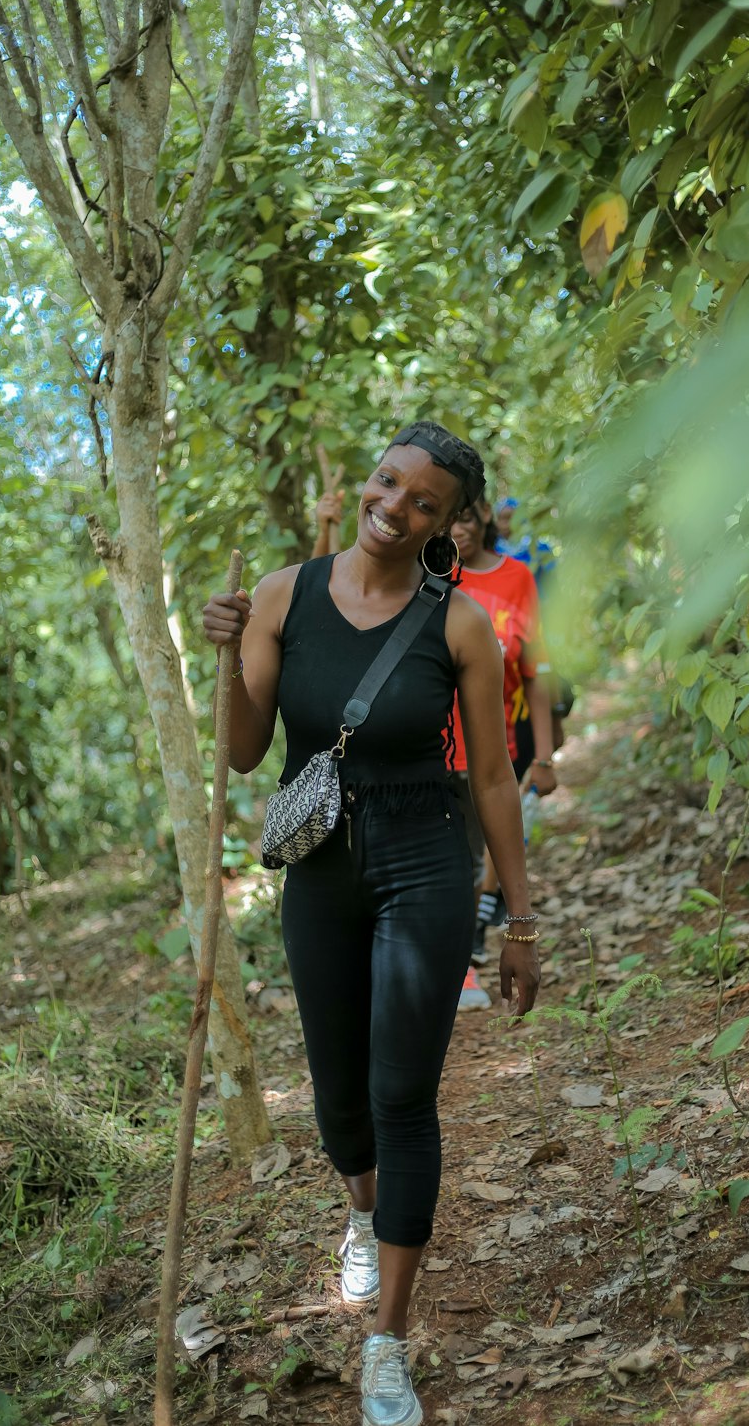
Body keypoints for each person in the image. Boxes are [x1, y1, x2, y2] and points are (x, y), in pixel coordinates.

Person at [202, 422, 540, 1426]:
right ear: (369, 477)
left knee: (403, 1097)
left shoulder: (459, 624)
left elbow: (489, 776)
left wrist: (519, 920)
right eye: (386, 482)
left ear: (452, 522)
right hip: (321, 868)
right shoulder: (281, 595)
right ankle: (362, 1209)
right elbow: (243, 753)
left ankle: (388, 1342)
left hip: (426, 858)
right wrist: (225, 656)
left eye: (423, 501)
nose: (394, 508)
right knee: (340, 1101)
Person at [448, 495, 557, 1009]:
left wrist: (545, 755)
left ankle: (464, 961)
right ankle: (446, 961)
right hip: (429, 746)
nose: (456, 530)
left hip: (494, 745)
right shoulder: (431, 574)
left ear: (484, 517)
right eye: (447, 521)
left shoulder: (516, 578)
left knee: (476, 859)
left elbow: (536, 673)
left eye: (465, 518)